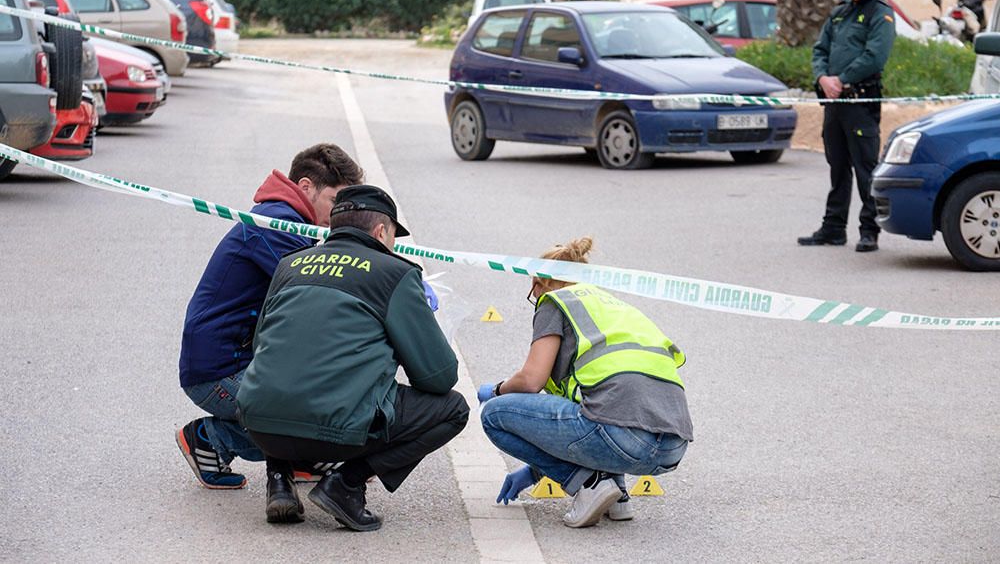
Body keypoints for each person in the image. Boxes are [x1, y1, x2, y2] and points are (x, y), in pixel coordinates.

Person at [236, 184, 469, 529]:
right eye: (393, 237)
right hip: (336, 435)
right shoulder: (395, 273)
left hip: (261, 426)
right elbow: (439, 378)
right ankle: (345, 485)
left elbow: (262, 348)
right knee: (454, 409)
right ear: (380, 231)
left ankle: (280, 481)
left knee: (285, 367)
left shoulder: (289, 265)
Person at [175, 144, 364, 491]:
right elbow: (321, 295)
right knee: (311, 414)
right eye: (336, 202)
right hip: (218, 372)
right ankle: (210, 438)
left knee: (319, 389)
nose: (339, 215)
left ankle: (300, 455)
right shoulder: (277, 224)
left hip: (237, 358)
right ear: (306, 187)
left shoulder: (288, 219)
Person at [477, 237, 693, 528]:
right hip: (671, 448)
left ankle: (588, 484)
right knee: (598, 404)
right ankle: (617, 497)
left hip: (623, 439)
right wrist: (536, 471)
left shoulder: (556, 302)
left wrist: (496, 390)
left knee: (495, 415)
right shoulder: (616, 309)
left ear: (544, 283)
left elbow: (531, 380)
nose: (534, 295)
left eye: (535, 286)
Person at [799, 0, 896, 253]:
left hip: (860, 102)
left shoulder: (881, 15)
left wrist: (841, 79)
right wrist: (823, 78)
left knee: (865, 168)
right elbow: (820, 50)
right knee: (837, 167)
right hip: (835, 103)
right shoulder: (839, 14)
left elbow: (875, 56)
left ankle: (869, 231)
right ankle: (833, 228)